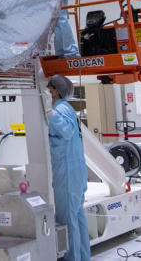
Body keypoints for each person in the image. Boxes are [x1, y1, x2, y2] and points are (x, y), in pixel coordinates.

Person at [47, 75, 89, 261]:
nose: (46, 91)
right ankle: (82, 257)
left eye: (48, 88)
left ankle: (72, 258)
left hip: (67, 173)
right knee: (78, 218)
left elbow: (66, 131)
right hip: (76, 170)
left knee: (67, 219)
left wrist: (49, 113)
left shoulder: (59, 109)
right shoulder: (66, 107)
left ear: (56, 90)